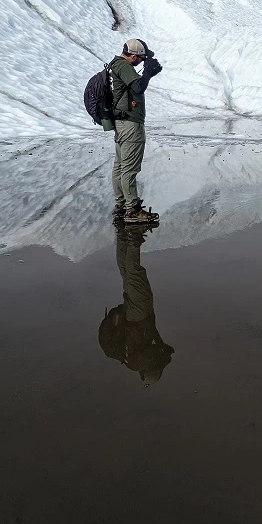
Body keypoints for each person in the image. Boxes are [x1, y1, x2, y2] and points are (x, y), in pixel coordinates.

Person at [99, 222, 175, 386]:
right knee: (126, 271)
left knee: (134, 273)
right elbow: (158, 347)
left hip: (139, 311)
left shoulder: (139, 362)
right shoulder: (129, 359)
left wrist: (163, 360)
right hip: (132, 312)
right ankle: (122, 233)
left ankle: (134, 233)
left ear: (151, 371)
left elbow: (162, 354)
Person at [109, 38, 163, 224]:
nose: (141, 61)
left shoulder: (116, 65)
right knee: (129, 168)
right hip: (131, 124)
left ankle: (122, 205)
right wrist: (147, 73)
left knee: (120, 166)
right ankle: (132, 210)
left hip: (122, 123)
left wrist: (148, 73)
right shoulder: (124, 66)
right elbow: (138, 88)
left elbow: (133, 87)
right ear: (132, 56)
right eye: (140, 59)